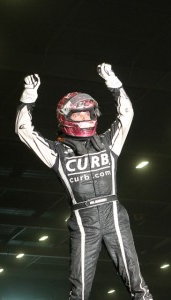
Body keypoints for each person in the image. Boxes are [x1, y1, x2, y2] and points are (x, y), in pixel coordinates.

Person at [15, 63, 153, 300]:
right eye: (77, 114)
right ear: (65, 118)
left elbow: (127, 114)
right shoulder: (56, 151)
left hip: (113, 214)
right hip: (83, 221)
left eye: (88, 113)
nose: (84, 118)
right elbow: (24, 131)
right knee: (79, 291)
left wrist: (114, 83)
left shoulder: (109, 142)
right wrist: (29, 98)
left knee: (136, 282)